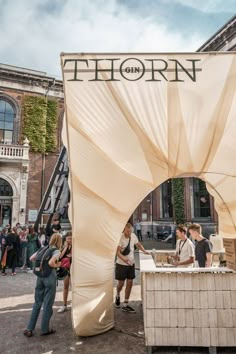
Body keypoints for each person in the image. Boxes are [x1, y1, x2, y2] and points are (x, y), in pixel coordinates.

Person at [23, 233, 62, 337]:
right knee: (48, 304)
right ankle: (45, 329)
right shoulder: (56, 251)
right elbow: (51, 263)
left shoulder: (43, 248)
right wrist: (59, 264)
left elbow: (31, 258)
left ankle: (29, 329)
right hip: (50, 277)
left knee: (37, 303)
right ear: (59, 241)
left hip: (40, 277)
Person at [115, 222, 150, 313]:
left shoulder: (133, 236)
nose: (129, 233)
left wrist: (144, 251)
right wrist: (125, 259)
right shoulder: (120, 238)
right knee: (121, 284)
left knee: (130, 282)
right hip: (121, 265)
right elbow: (117, 253)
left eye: (130, 231)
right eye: (127, 231)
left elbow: (138, 244)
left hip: (131, 264)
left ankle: (126, 304)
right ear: (124, 230)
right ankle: (118, 293)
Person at [57, 231, 72, 313]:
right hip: (66, 269)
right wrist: (66, 247)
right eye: (68, 239)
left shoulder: (75, 246)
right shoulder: (63, 247)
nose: (69, 240)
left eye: (71, 239)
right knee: (66, 287)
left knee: (75, 287)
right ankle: (64, 305)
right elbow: (60, 257)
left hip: (74, 268)